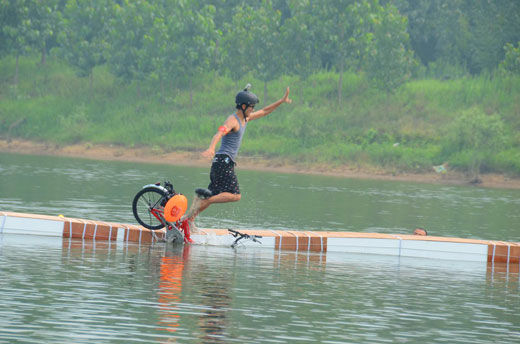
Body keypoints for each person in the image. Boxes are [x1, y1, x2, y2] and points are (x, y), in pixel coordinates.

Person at [180, 84, 292, 230]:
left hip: (220, 162)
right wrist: (211, 147)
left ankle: (188, 220)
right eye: (251, 107)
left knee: (213, 194)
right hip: (223, 162)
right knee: (235, 195)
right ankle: (201, 201)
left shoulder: (245, 119)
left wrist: (281, 101)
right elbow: (219, 133)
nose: (253, 110)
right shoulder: (232, 121)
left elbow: (265, 111)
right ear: (244, 106)